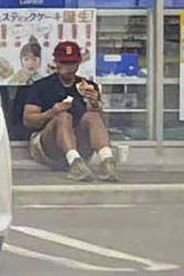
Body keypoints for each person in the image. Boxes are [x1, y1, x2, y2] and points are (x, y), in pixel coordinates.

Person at [17, 39, 119, 182]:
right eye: (64, 63)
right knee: (63, 117)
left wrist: (95, 104)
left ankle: (107, 160)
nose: (69, 68)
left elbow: (98, 122)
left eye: (72, 63)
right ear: (57, 63)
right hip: (47, 145)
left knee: (92, 116)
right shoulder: (41, 86)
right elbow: (28, 120)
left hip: (79, 141)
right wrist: (51, 112)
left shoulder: (88, 86)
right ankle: (74, 163)